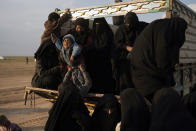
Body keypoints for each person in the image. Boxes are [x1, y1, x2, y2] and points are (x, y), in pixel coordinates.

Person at [131, 17, 187, 101]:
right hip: (148, 74)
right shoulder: (164, 31)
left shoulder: (162, 27)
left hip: (142, 70)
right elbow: (162, 58)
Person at [113, 11, 148, 93]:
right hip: (124, 61)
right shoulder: (121, 29)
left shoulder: (141, 26)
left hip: (138, 61)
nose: (128, 26)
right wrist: (126, 47)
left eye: (131, 24)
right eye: (127, 24)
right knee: (126, 83)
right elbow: (117, 43)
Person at [91, 18, 115, 93]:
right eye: (96, 25)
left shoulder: (108, 34)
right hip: (94, 61)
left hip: (106, 61)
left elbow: (110, 47)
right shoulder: (92, 35)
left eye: (99, 25)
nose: (98, 27)